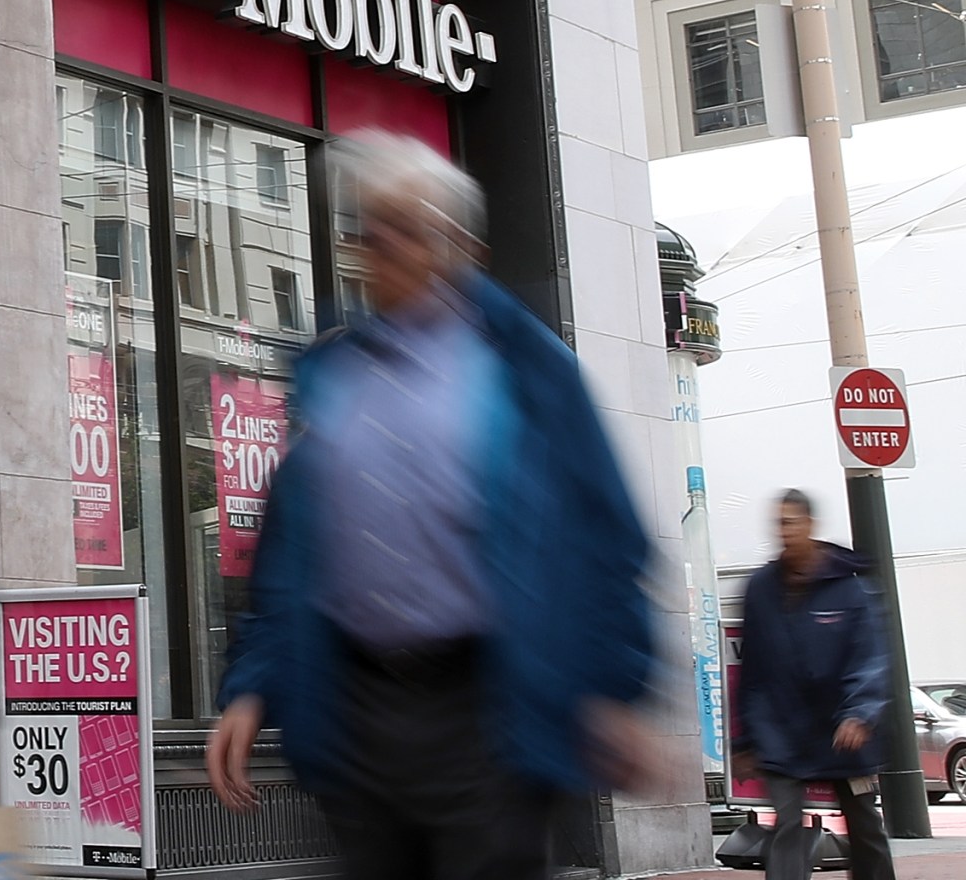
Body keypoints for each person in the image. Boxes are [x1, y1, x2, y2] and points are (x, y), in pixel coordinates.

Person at [204, 131, 658, 880]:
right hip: (356, 710)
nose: (377, 244)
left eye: (402, 227)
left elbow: (604, 537)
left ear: (457, 246)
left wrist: (617, 688)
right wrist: (251, 686)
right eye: (365, 227)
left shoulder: (528, 374)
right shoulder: (331, 377)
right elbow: (288, 562)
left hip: (488, 706)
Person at [732, 490, 896, 880]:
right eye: (779, 523)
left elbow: (869, 657)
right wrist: (744, 741)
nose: (784, 532)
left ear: (809, 525)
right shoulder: (760, 589)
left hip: (842, 729)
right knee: (787, 824)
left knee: (863, 821)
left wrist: (859, 712)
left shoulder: (848, 588)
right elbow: (751, 670)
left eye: (791, 522)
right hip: (781, 730)